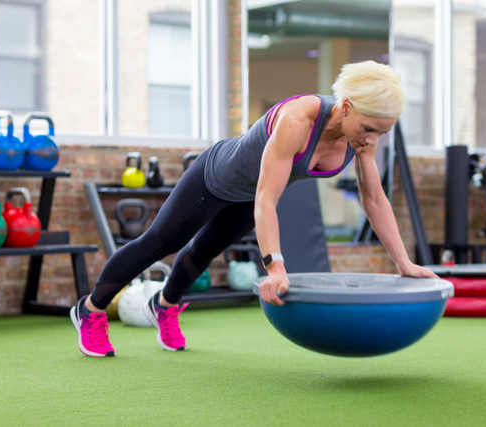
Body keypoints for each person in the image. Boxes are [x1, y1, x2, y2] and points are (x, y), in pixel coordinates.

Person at [70, 60, 438, 358]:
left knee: (206, 249)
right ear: (345, 106)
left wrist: (404, 263)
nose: (371, 140)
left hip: (250, 196)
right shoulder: (298, 121)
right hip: (215, 177)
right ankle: (91, 308)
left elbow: (374, 199)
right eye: (370, 128)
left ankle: (164, 305)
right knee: (161, 241)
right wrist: (275, 266)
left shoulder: (361, 138)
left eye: (381, 134)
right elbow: (267, 198)